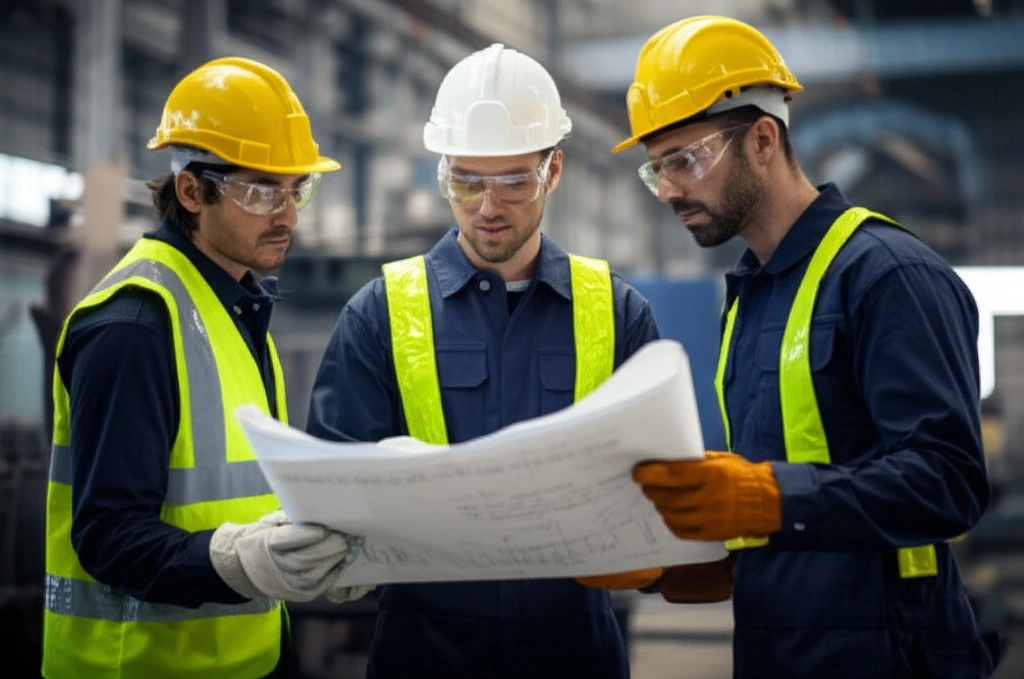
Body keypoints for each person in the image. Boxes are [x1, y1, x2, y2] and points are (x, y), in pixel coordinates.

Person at [614, 15, 994, 679]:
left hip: (889, 654)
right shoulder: (752, 295)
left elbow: (948, 482)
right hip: (776, 651)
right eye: (657, 171)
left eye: (685, 159)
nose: (669, 189)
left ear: (763, 138)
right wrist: (708, 554)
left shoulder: (885, 275)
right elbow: (795, 489)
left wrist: (764, 498)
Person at [307, 43, 661, 679]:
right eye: (467, 181)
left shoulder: (616, 312)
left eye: (514, 181)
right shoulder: (380, 312)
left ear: (553, 171)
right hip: (424, 649)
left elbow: (657, 489)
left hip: (574, 648)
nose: (488, 206)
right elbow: (328, 489)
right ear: (444, 174)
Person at [42, 57, 367, 679]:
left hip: (247, 660)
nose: (289, 215)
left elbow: (243, 501)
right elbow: (108, 536)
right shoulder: (136, 325)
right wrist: (240, 561)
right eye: (260, 191)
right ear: (191, 191)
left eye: (296, 189)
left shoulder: (236, 308)